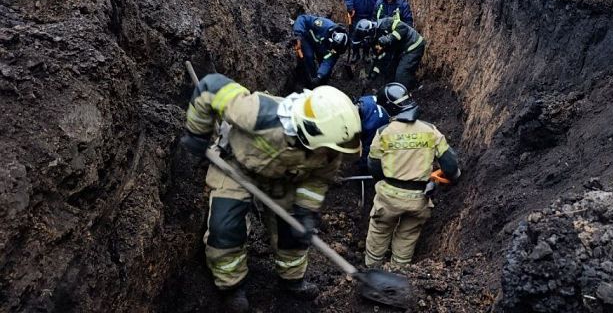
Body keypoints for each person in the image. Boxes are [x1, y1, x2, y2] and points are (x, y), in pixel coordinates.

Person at [180, 74, 362, 312]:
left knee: (293, 234)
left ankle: (292, 279)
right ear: (310, 133)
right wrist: (197, 133)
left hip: (282, 179)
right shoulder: (259, 115)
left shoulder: (329, 150)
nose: (331, 155)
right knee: (225, 230)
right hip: (236, 166)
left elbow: (318, 179)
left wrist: (305, 211)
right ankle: (231, 286)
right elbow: (210, 87)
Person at [364, 83, 461, 267]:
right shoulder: (430, 131)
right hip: (419, 199)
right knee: (407, 236)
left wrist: (381, 183)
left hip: (389, 198)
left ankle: (372, 270)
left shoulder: (383, 133)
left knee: (379, 230)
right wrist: (454, 176)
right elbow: (450, 165)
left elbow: (373, 166)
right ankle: (399, 272)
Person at [351, 17, 425, 89]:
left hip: (414, 45)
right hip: (400, 50)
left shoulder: (385, 23)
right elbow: (380, 59)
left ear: (370, 32)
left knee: (401, 74)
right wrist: (373, 74)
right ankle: (390, 91)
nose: (366, 42)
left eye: (366, 39)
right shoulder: (374, 41)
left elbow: (403, 28)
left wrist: (389, 38)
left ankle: (406, 93)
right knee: (390, 71)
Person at [292, 14, 349, 87]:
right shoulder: (323, 25)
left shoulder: (336, 50)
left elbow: (327, 62)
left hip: (323, 49)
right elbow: (302, 18)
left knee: (325, 74)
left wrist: (319, 76)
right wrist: (298, 35)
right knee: (309, 57)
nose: (334, 50)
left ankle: (322, 83)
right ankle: (311, 78)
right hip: (309, 40)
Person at [355, 95, 390, 174]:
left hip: (385, 129)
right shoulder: (364, 100)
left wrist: (362, 165)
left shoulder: (370, 126)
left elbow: (369, 147)